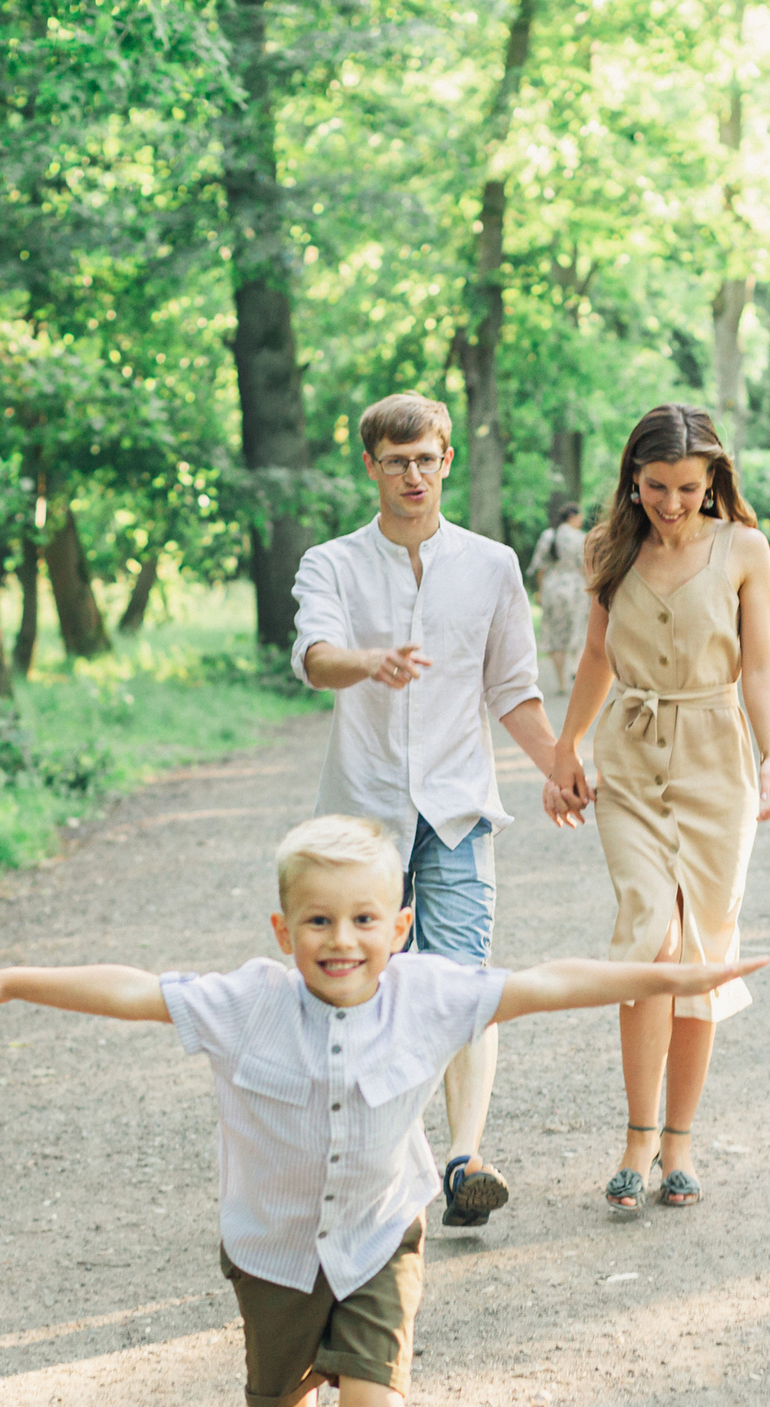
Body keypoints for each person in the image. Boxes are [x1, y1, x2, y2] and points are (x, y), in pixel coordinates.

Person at [0, 814, 761, 1407]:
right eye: (318, 920)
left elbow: (550, 982)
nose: (341, 939)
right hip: (271, 1251)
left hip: (379, 1235)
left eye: (364, 919)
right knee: (275, 1406)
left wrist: (680, 975)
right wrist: (11, 981)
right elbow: (132, 990)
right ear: (284, 931)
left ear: (399, 926)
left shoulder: (431, 992)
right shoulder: (244, 1003)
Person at [292, 392, 569, 1230]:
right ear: (370, 466)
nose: (413, 474)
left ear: (447, 459)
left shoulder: (492, 565)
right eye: (396, 461)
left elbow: (513, 689)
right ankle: (380, 1161)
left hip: (456, 808)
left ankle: (463, 1159)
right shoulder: (331, 563)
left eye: (427, 458)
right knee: (363, 989)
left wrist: (561, 768)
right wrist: (368, 661)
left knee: (464, 985)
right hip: (364, 812)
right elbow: (316, 658)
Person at [547, 403, 770, 1211]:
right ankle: (636, 1138)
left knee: (701, 950)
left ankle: (680, 1143)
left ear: (714, 478)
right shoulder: (609, 547)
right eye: (656, 486)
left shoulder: (745, 549)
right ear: (633, 480)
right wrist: (565, 748)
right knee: (651, 930)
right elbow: (592, 656)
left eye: (689, 486)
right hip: (632, 753)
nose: (673, 503)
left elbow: (759, 669)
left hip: (717, 757)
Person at [530, 500, 588, 697]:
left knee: (555, 636)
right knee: (578, 629)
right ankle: (575, 666)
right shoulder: (580, 537)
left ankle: (562, 683)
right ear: (572, 517)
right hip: (575, 588)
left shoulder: (548, 536)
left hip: (552, 588)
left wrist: (541, 592)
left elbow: (539, 568)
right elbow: (584, 567)